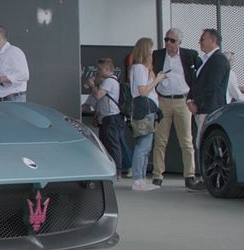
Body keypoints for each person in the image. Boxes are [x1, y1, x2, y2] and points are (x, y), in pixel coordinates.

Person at [150, 28, 204, 190]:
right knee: (160, 140)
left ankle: (189, 175)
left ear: (180, 42)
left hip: (183, 101)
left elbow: (201, 74)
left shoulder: (189, 55)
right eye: (166, 39)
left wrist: (194, 97)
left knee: (186, 140)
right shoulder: (157, 55)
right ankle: (157, 176)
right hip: (163, 101)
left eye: (172, 40)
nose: (168, 43)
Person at [130, 37, 166, 191]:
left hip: (147, 107)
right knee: (143, 146)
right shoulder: (139, 68)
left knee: (145, 145)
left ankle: (141, 178)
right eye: (150, 48)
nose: (152, 51)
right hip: (144, 107)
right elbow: (143, 91)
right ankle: (138, 179)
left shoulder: (141, 68)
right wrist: (157, 80)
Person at [82, 58, 124, 176]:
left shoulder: (109, 81)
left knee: (113, 144)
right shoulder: (105, 82)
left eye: (100, 69)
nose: (98, 71)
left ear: (108, 69)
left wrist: (92, 85)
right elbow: (90, 102)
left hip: (111, 116)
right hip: (105, 117)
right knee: (105, 144)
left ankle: (117, 170)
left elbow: (98, 95)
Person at [187, 29, 230, 135]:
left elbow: (211, 86)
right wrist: (189, 100)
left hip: (210, 111)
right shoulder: (204, 60)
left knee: (206, 141)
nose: (199, 42)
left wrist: (197, 104)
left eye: (202, 39)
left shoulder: (219, 59)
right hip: (201, 110)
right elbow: (195, 83)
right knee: (200, 141)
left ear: (213, 40)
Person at [0, 25, 29, 102]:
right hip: (6, 100)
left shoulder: (13, 51)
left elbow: (24, 75)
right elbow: (8, 80)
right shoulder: (2, 54)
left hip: (13, 100)